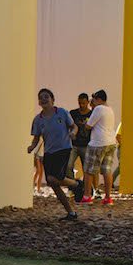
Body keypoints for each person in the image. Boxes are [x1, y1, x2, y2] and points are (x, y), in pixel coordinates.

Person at [27, 89, 82, 220]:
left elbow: (74, 126)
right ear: (39, 102)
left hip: (63, 149)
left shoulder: (62, 113)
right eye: (41, 98)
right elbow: (36, 137)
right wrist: (31, 147)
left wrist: (73, 133)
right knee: (54, 184)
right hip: (49, 153)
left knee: (53, 178)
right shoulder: (38, 120)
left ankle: (76, 185)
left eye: (46, 97)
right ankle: (70, 212)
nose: (44, 99)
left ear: (52, 99)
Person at [80, 90, 117, 206]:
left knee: (88, 170)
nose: (93, 101)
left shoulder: (98, 109)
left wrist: (85, 122)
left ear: (99, 99)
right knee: (107, 170)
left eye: (94, 99)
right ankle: (108, 198)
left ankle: (87, 196)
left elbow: (88, 125)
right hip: (110, 142)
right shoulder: (110, 109)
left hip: (97, 143)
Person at [67, 93, 93, 182]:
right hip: (73, 145)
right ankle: (73, 186)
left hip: (86, 145)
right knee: (68, 166)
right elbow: (68, 125)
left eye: (83, 103)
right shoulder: (73, 113)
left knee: (86, 169)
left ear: (88, 102)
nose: (81, 105)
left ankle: (85, 189)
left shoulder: (92, 114)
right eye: (79, 103)